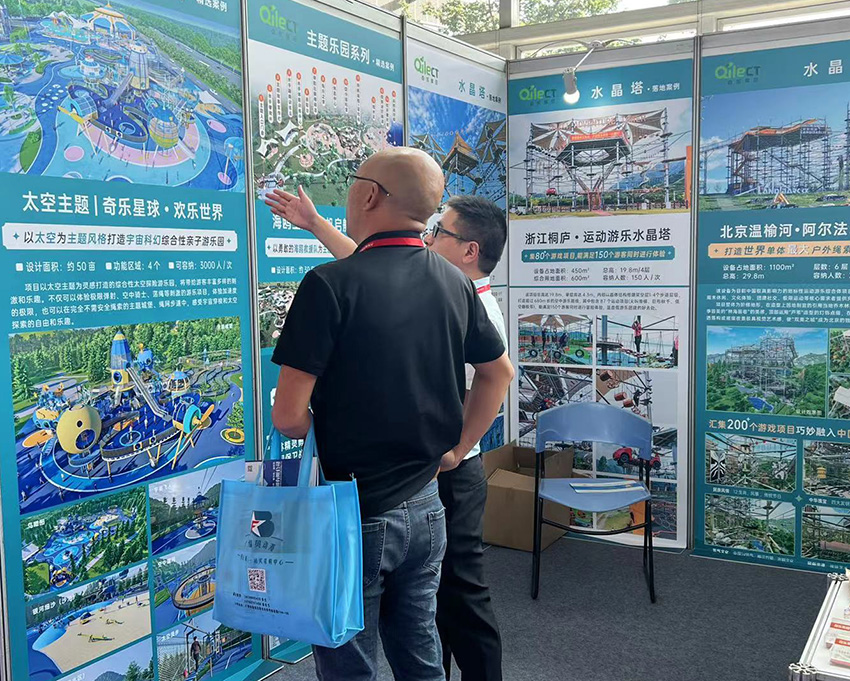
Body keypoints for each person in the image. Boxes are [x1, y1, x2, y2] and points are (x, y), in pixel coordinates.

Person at [267, 148, 514, 681]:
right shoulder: (456, 284)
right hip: (427, 505)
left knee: (348, 658)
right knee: (419, 649)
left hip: (354, 510)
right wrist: (456, 450)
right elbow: (498, 374)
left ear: (368, 195)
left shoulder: (327, 285)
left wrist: (333, 430)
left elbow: (287, 417)